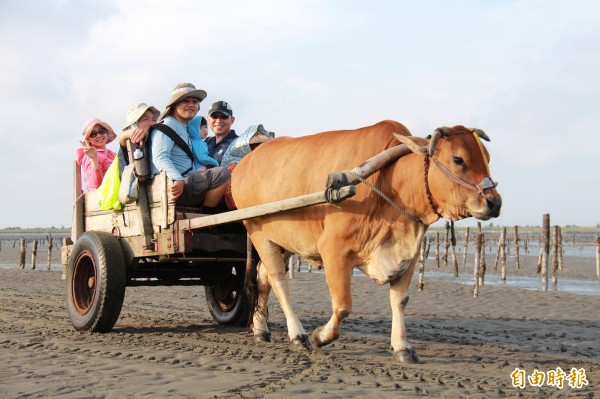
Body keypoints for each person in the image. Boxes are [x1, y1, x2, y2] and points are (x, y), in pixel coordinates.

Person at [150, 83, 230, 208]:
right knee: (222, 173)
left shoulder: (183, 127)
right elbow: (160, 157)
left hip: (185, 181)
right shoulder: (166, 126)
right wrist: (177, 179)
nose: (191, 105)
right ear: (175, 104)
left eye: (195, 101)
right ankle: (208, 220)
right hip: (173, 187)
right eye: (185, 101)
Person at [76, 118, 117, 190]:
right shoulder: (89, 156)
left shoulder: (112, 154)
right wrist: (93, 158)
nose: (98, 135)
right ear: (88, 139)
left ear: (107, 133)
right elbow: (97, 185)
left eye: (101, 131)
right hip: (103, 198)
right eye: (93, 134)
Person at [117, 102, 160, 172]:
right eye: (146, 119)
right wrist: (131, 132)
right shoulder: (129, 146)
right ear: (134, 125)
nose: (152, 123)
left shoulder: (159, 140)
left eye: (153, 119)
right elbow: (122, 140)